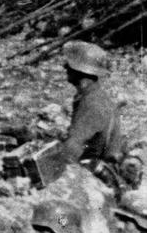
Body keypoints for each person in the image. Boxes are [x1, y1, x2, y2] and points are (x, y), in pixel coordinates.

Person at [47, 41, 124, 190]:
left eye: (70, 65)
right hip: (98, 170)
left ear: (81, 70)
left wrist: (52, 174)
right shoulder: (94, 96)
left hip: (99, 180)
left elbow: (73, 147)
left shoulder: (93, 103)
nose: (65, 67)